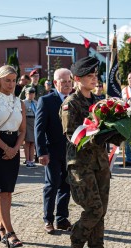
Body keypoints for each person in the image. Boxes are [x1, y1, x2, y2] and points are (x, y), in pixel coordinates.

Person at [60, 56, 119, 248]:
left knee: (100, 212)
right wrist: (99, 134)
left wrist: (119, 132)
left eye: (96, 75)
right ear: (77, 79)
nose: (95, 79)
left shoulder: (100, 103)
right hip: (80, 166)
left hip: (100, 164)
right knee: (93, 209)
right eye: (89, 76)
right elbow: (72, 135)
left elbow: (107, 130)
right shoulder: (70, 104)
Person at [0, 65, 26, 248]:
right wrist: (6, 148)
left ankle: (0, 228)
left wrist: (15, 148)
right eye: (7, 80)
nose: (11, 84)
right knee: (1, 191)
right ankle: (9, 232)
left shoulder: (20, 102)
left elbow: (23, 130)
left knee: (8, 191)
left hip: (14, 147)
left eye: (14, 80)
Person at [35, 68, 72, 234]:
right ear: (55, 83)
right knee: (52, 185)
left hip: (70, 151)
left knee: (66, 185)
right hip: (52, 151)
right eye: (63, 82)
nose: (67, 84)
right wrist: (41, 152)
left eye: (69, 81)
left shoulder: (74, 100)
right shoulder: (46, 100)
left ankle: (62, 219)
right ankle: (48, 219)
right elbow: (39, 129)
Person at [23, 88, 38, 168]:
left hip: (34, 122)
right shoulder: (23, 103)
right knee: (27, 142)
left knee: (33, 142)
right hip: (27, 121)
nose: (31, 95)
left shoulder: (36, 102)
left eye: (32, 93)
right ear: (26, 94)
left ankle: (31, 160)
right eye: (29, 93)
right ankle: (28, 160)